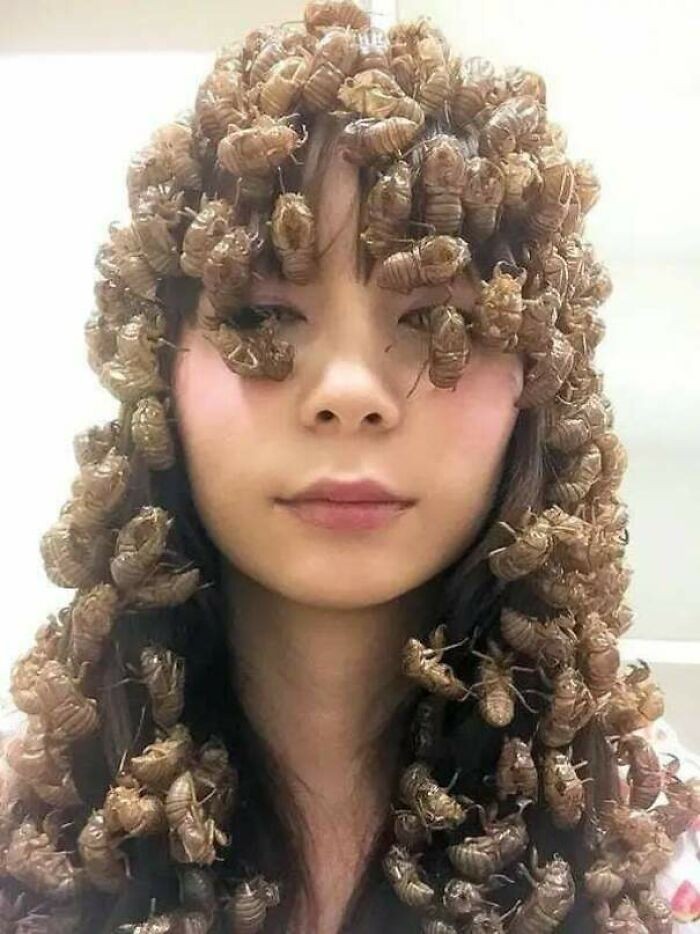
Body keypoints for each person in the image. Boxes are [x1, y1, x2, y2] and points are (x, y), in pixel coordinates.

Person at [0, 1, 697, 931]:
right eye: (261, 314)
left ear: (539, 381)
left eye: (437, 323)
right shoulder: (23, 820)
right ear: (156, 363)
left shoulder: (656, 846)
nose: (350, 392)